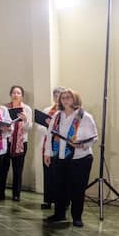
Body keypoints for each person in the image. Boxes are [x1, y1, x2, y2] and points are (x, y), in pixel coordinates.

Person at [44, 89, 97, 227]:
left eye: (69, 97)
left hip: (80, 158)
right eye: (63, 98)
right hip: (60, 156)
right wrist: (47, 153)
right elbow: (50, 134)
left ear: (75, 99)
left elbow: (94, 137)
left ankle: (77, 217)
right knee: (59, 187)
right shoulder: (57, 115)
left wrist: (82, 145)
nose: (65, 100)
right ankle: (59, 214)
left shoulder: (84, 116)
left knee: (77, 189)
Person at [0, 85, 33, 202]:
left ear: (22, 96)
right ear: (10, 95)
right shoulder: (4, 107)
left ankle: (16, 194)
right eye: (13, 92)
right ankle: (0, 192)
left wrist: (25, 120)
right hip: (7, 141)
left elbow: (29, 128)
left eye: (18, 93)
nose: (15, 95)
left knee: (18, 169)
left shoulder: (26, 109)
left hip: (20, 142)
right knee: (3, 168)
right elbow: (1, 123)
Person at [39, 87, 64, 210]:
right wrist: (48, 126)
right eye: (56, 96)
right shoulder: (47, 110)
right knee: (48, 173)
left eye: (60, 96)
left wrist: (53, 127)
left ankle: (63, 202)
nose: (57, 98)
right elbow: (40, 129)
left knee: (62, 175)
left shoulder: (67, 111)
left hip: (62, 146)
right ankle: (48, 200)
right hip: (47, 144)